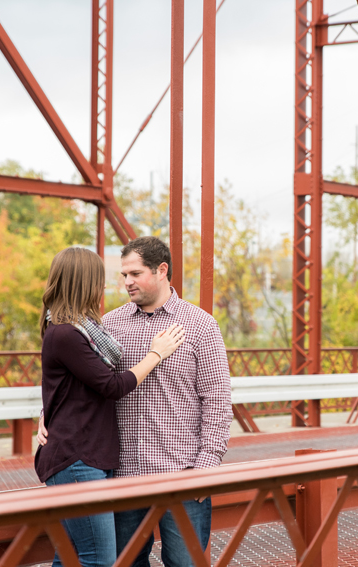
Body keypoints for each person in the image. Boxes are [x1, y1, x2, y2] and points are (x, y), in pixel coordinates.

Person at [39, 237, 233, 566]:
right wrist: (47, 415)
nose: (126, 282)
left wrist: (206, 467)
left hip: (182, 473)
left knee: (186, 564)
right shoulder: (107, 325)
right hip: (122, 473)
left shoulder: (200, 326)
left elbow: (217, 402)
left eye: (135, 273)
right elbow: (76, 377)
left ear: (161, 271)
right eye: (123, 274)